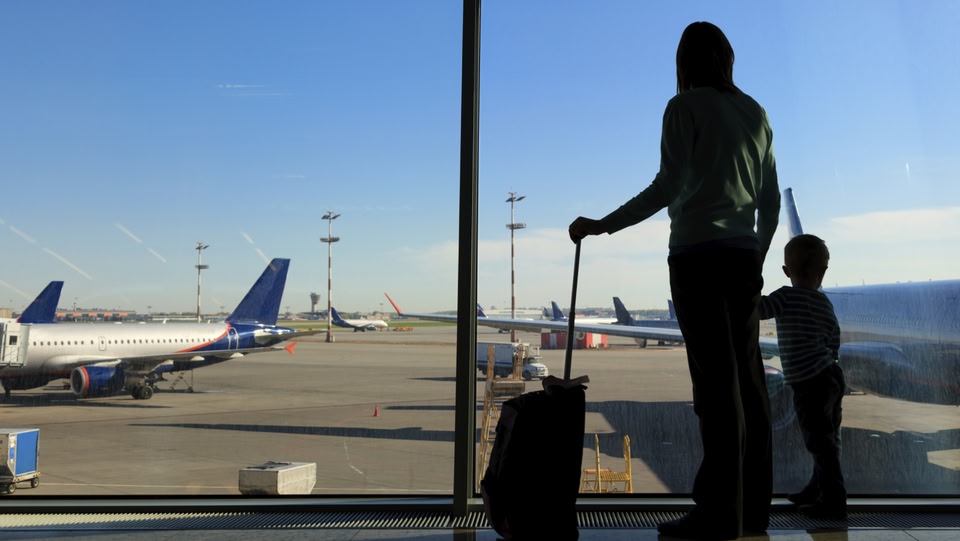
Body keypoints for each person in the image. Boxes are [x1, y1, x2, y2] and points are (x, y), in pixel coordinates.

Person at [568, 21, 780, 540]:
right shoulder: (755, 112)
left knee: (715, 389)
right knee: (751, 388)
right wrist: (757, 256)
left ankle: (717, 515)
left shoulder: (682, 108)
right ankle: (752, 512)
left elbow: (669, 184)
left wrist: (602, 224)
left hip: (697, 259)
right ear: (728, 60)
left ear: (684, 64)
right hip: (743, 259)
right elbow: (770, 201)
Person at [760, 234, 847, 519]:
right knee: (828, 438)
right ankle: (816, 489)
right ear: (823, 271)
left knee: (819, 442)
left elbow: (759, 309)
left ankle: (833, 502)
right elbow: (834, 337)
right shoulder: (824, 302)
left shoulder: (786, 296)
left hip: (808, 381)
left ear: (786, 271)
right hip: (831, 376)